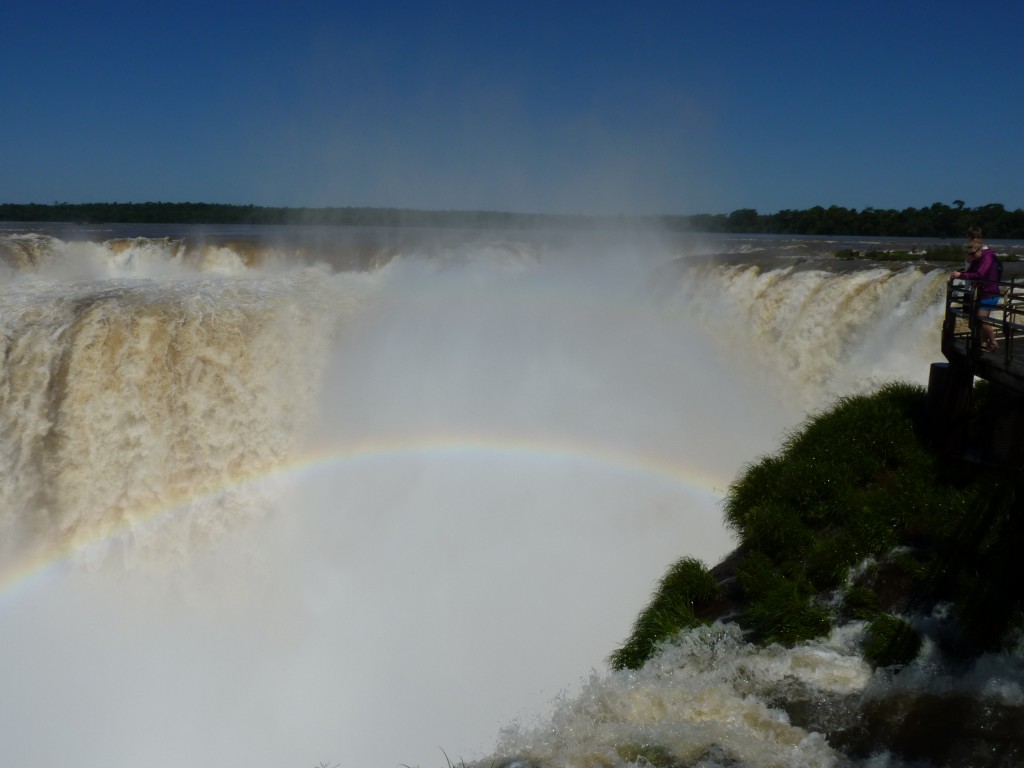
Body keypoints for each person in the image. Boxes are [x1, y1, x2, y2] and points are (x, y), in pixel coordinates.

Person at [952, 240, 1001, 352]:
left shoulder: (987, 258)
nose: (971, 256)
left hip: (990, 293)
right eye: (969, 253)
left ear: (980, 250)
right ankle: (984, 343)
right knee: (982, 319)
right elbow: (971, 271)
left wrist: (961, 275)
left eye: (973, 254)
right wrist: (962, 271)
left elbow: (980, 274)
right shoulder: (978, 258)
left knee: (981, 318)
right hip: (984, 293)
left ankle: (993, 342)